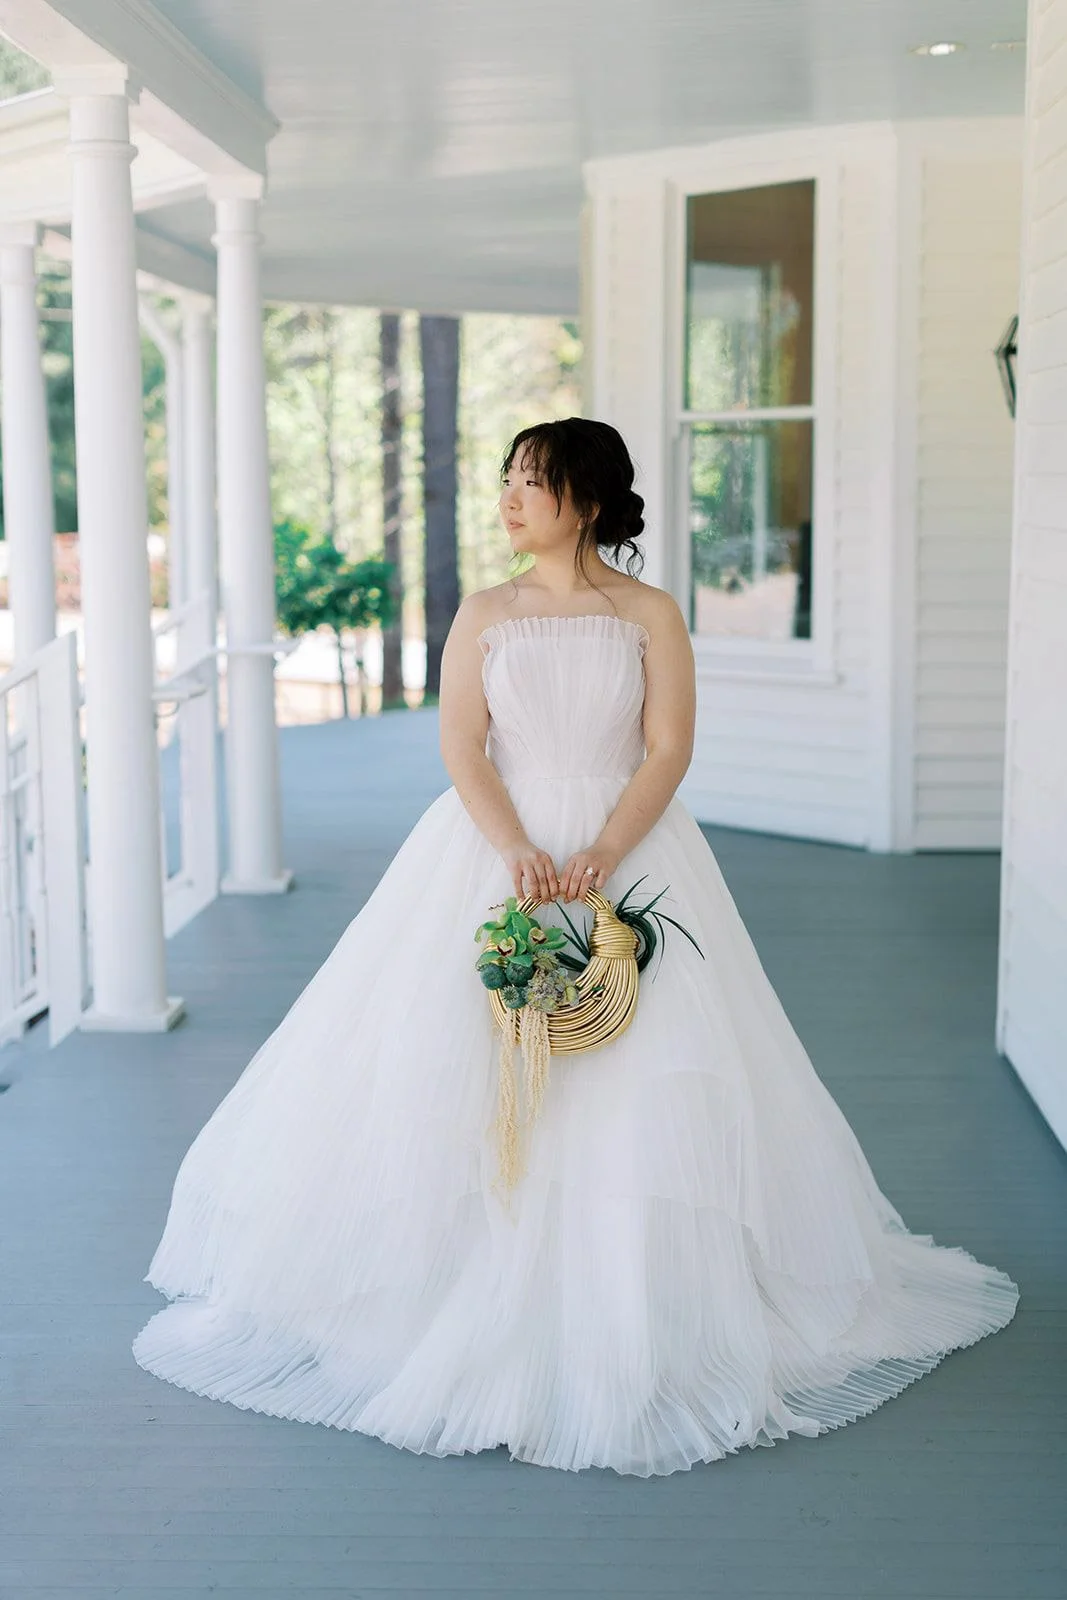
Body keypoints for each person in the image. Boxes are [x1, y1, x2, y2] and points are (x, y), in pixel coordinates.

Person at [133, 417, 1018, 1477]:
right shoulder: (484, 615)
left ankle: (633, 1303)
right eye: (505, 478)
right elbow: (461, 744)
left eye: (533, 480)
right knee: (453, 1060)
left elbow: (669, 745)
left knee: (642, 1071)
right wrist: (513, 847)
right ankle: (452, 1290)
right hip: (489, 852)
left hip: (628, 849)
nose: (509, 497)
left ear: (586, 498)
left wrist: (601, 849)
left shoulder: (647, 612)